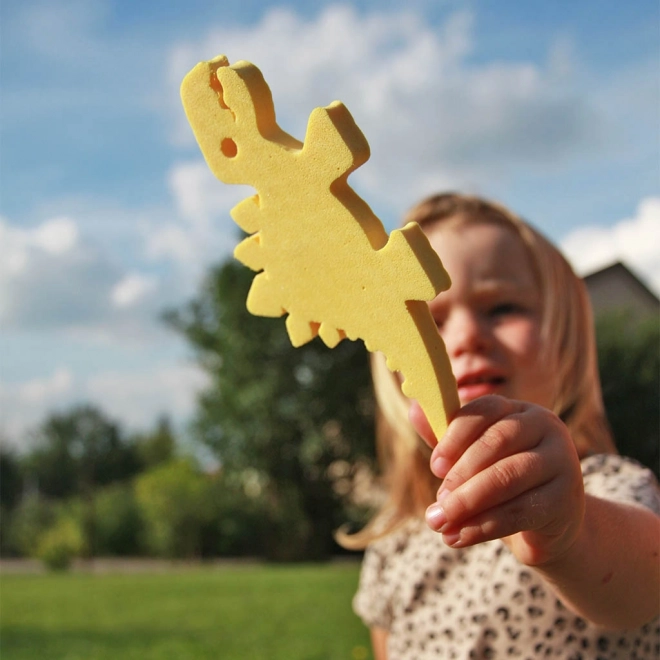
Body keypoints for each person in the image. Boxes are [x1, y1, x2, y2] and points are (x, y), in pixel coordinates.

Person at [340, 193, 660, 659]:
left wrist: (569, 532)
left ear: (564, 339)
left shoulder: (603, 489)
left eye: (502, 308)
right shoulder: (397, 545)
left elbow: (643, 583)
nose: (467, 336)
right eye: (429, 321)